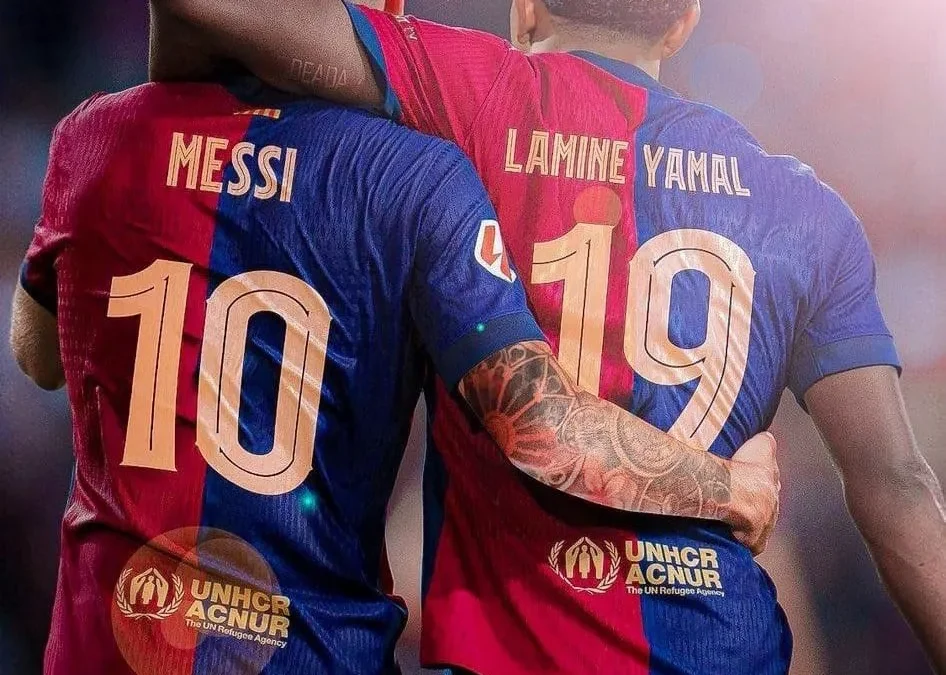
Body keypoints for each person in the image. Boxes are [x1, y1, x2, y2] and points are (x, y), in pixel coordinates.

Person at [156, 1, 946, 673]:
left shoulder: (471, 94)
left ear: (526, 9)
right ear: (684, 21)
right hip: (726, 647)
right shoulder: (803, 209)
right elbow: (899, 488)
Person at [8, 3, 781, 674]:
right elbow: (542, 429)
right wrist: (730, 487)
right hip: (312, 649)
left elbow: (37, 356)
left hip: (103, 643)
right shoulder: (418, 177)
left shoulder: (94, 136)